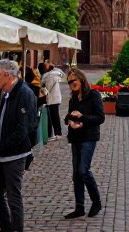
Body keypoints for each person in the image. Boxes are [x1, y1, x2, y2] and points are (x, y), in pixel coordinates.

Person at [0, 59, 38, 232]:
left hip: (15, 154)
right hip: (2, 153)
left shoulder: (24, 94)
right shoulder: (5, 92)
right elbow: (1, 121)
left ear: (9, 75)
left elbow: (24, 129)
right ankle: (7, 228)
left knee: (14, 197)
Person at [63, 68, 105, 219]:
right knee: (76, 174)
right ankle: (79, 207)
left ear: (81, 79)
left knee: (83, 171)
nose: (71, 84)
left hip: (88, 137)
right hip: (75, 137)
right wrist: (70, 121)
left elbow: (100, 117)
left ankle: (96, 202)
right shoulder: (73, 98)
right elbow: (68, 116)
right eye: (69, 82)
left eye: (73, 81)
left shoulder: (93, 95)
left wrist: (82, 119)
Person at [41, 62, 65, 140]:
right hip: (56, 97)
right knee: (55, 116)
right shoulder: (56, 75)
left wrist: (42, 89)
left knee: (53, 117)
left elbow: (47, 89)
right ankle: (57, 133)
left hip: (51, 98)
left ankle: (56, 134)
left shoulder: (48, 77)